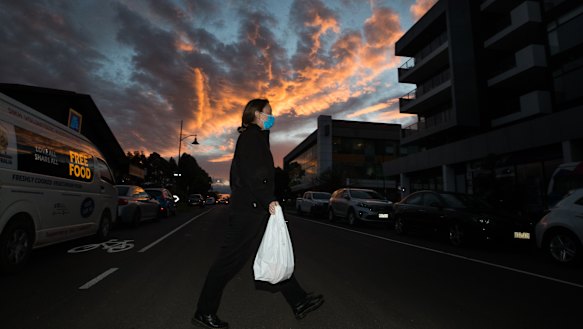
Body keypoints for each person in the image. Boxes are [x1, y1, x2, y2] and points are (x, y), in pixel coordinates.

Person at [192, 99, 324, 329]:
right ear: (256, 114)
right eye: (268, 113)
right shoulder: (251, 138)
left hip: (252, 209)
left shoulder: (255, 138)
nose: (272, 116)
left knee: (272, 252)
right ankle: (204, 312)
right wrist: (268, 199)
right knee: (228, 263)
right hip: (248, 211)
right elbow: (255, 174)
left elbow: (247, 175)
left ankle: (299, 300)